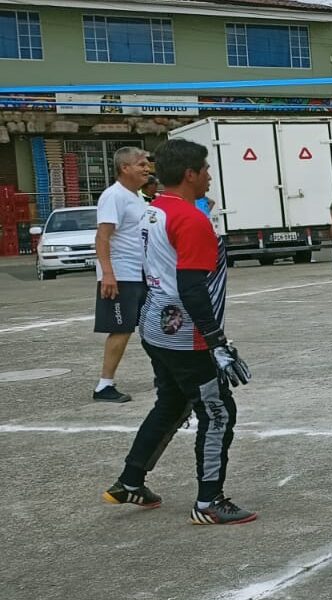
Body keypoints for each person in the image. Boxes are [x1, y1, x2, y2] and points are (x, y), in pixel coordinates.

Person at [102, 138, 255, 525]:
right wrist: (218, 342)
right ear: (190, 174)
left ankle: (130, 479)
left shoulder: (154, 210)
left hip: (155, 325)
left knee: (171, 403)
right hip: (185, 332)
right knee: (218, 411)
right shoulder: (189, 219)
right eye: (205, 169)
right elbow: (191, 287)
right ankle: (208, 501)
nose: (208, 176)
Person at [93, 147, 151, 403]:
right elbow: (102, 236)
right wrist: (108, 274)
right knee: (121, 329)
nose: (147, 168)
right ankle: (104, 386)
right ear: (124, 168)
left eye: (147, 163)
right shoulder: (113, 196)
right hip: (121, 275)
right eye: (141, 164)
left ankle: (164, 375)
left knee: (152, 326)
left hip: (141, 274)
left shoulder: (136, 196)